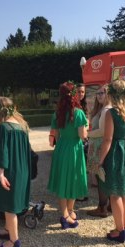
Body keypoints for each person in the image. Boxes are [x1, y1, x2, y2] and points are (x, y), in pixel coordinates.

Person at [97, 79, 125, 243]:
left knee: (115, 194)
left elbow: (107, 140)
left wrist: (100, 161)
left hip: (115, 153)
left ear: (112, 95)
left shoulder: (111, 113)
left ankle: (119, 230)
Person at [0, 97, 31, 247]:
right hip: (22, 170)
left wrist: (0, 173)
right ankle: (8, 230)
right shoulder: (22, 126)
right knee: (12, 202)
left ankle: (14, 242)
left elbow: (3, 152)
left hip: (10, 171)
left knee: (9, 206)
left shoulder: (3, 128)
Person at [47, 81, 88, 229]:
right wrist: (87, 128)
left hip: (61, 148)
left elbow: (56, 136)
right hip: (74, 149)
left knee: (63, 180)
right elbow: (82, 136)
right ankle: (66, 214)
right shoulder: (79, 113)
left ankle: (67, 213)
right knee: (74, 179)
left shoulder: (57, 113)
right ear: (75, 94)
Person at [86, 84, 112, 218]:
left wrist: (87, 134)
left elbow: (102, 131)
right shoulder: (101, 109)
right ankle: (108, 205)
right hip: (96, 146)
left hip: (99, 146)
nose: (99, 95)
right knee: (101, 176)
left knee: (101, 177)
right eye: (98, 93)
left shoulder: (107, 110)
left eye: (102, 93)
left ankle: (102, 207)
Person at [76, 82, 89, 202]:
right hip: (76, 140)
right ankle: (77, 192)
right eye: (79, 91)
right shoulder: (73, 107)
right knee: (78, 167)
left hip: (83, 140)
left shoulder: (84, 105)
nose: (81, 94)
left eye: (83, 92)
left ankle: (80, 191)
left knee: (82, 167)